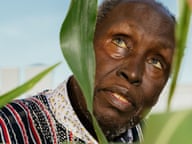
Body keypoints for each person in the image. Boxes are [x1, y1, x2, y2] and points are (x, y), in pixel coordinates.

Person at [0, 0, 175, 143]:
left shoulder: (160, 138)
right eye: (119, 42)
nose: (133, 73)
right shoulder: (7, 129)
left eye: (156, 62)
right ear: (83, 43)